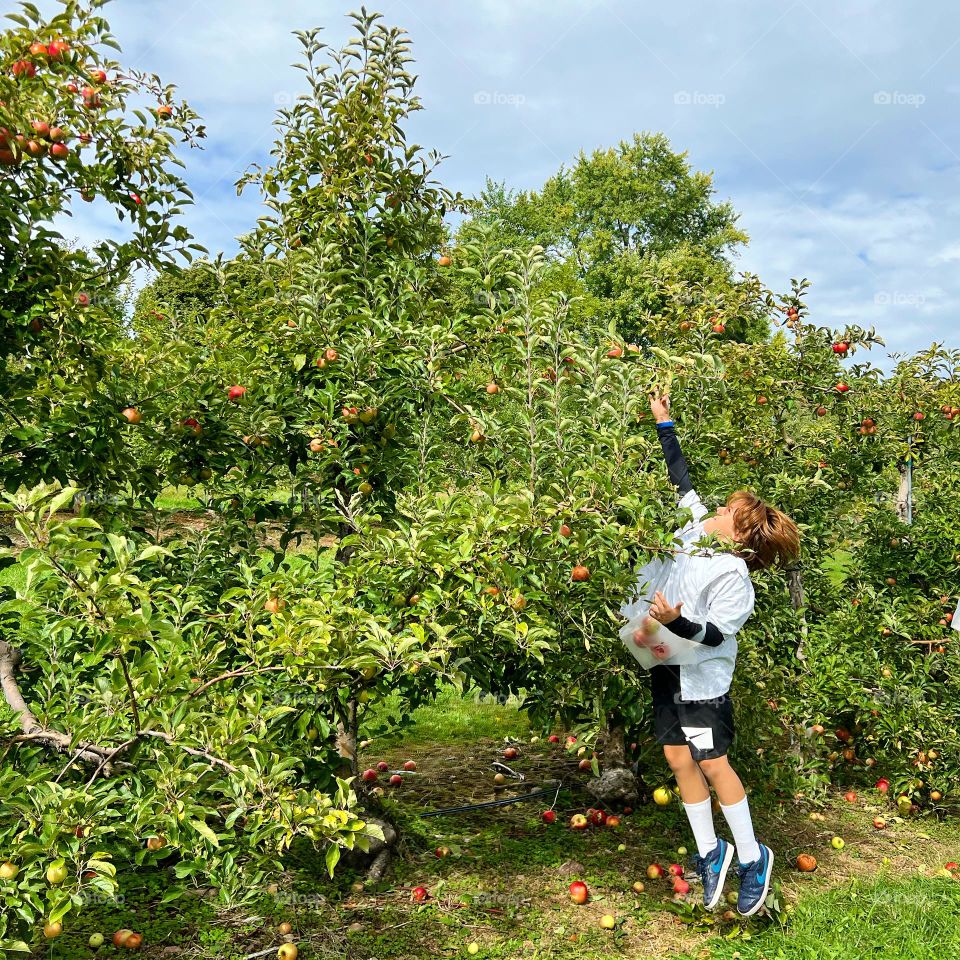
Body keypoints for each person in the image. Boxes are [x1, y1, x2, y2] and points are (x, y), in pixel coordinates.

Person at [622, 391, 800, 916]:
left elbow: (718, 635)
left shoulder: (734, 574)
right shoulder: (694, 528)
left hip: (702, 682)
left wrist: (676, 622)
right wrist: (664, 422)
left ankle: (752, 856)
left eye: (729, 511)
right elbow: (680, 477)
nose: (719, 509)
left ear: (741, 531)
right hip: (666, 665)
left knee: (712, 760)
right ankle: (710, 852)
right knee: (677, 758)